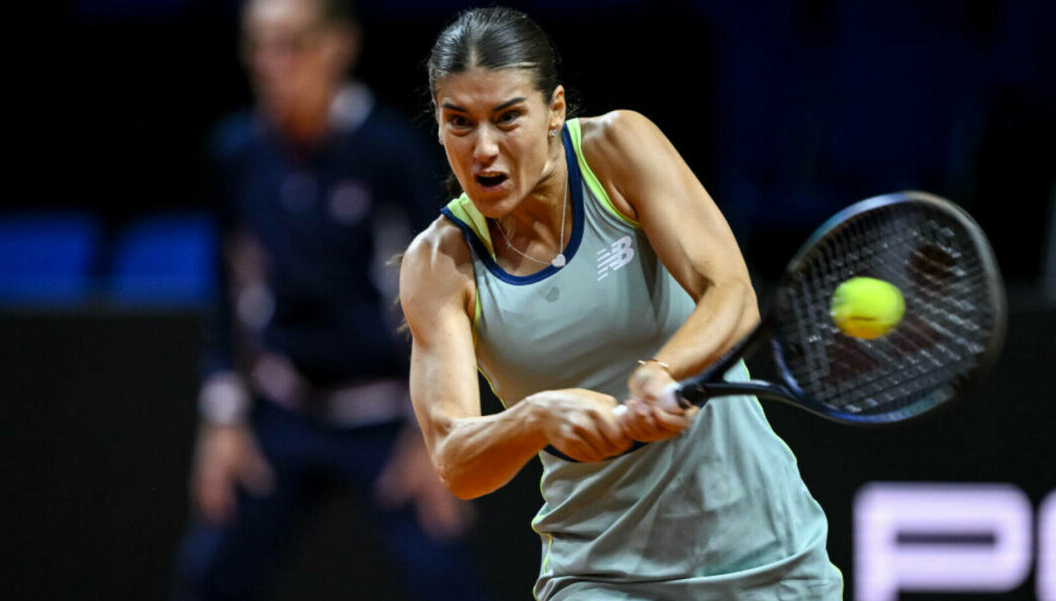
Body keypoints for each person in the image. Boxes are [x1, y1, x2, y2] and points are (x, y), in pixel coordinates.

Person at [400, 7, 843, 600]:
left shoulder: (616, 149)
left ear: (555, 110)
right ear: (438, 124)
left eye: (508, 118)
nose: (483, 149)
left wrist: (662, 372)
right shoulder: (437, 264)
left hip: (766, 554)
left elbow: (732, 295)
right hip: (601, 577)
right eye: (459, 122)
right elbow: (456, 460)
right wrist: (537, 416)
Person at [172, 1, 484, 599]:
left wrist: (436, 431)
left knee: (445, 578)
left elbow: (446, 299)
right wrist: (223, 421)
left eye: (290, 44)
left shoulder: (392, 153)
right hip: (283, 409)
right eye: (258, 45)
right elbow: (229, 290)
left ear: (339, 45)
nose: (271, 63)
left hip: (389, 418)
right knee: (207, 575)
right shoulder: (237, 153)